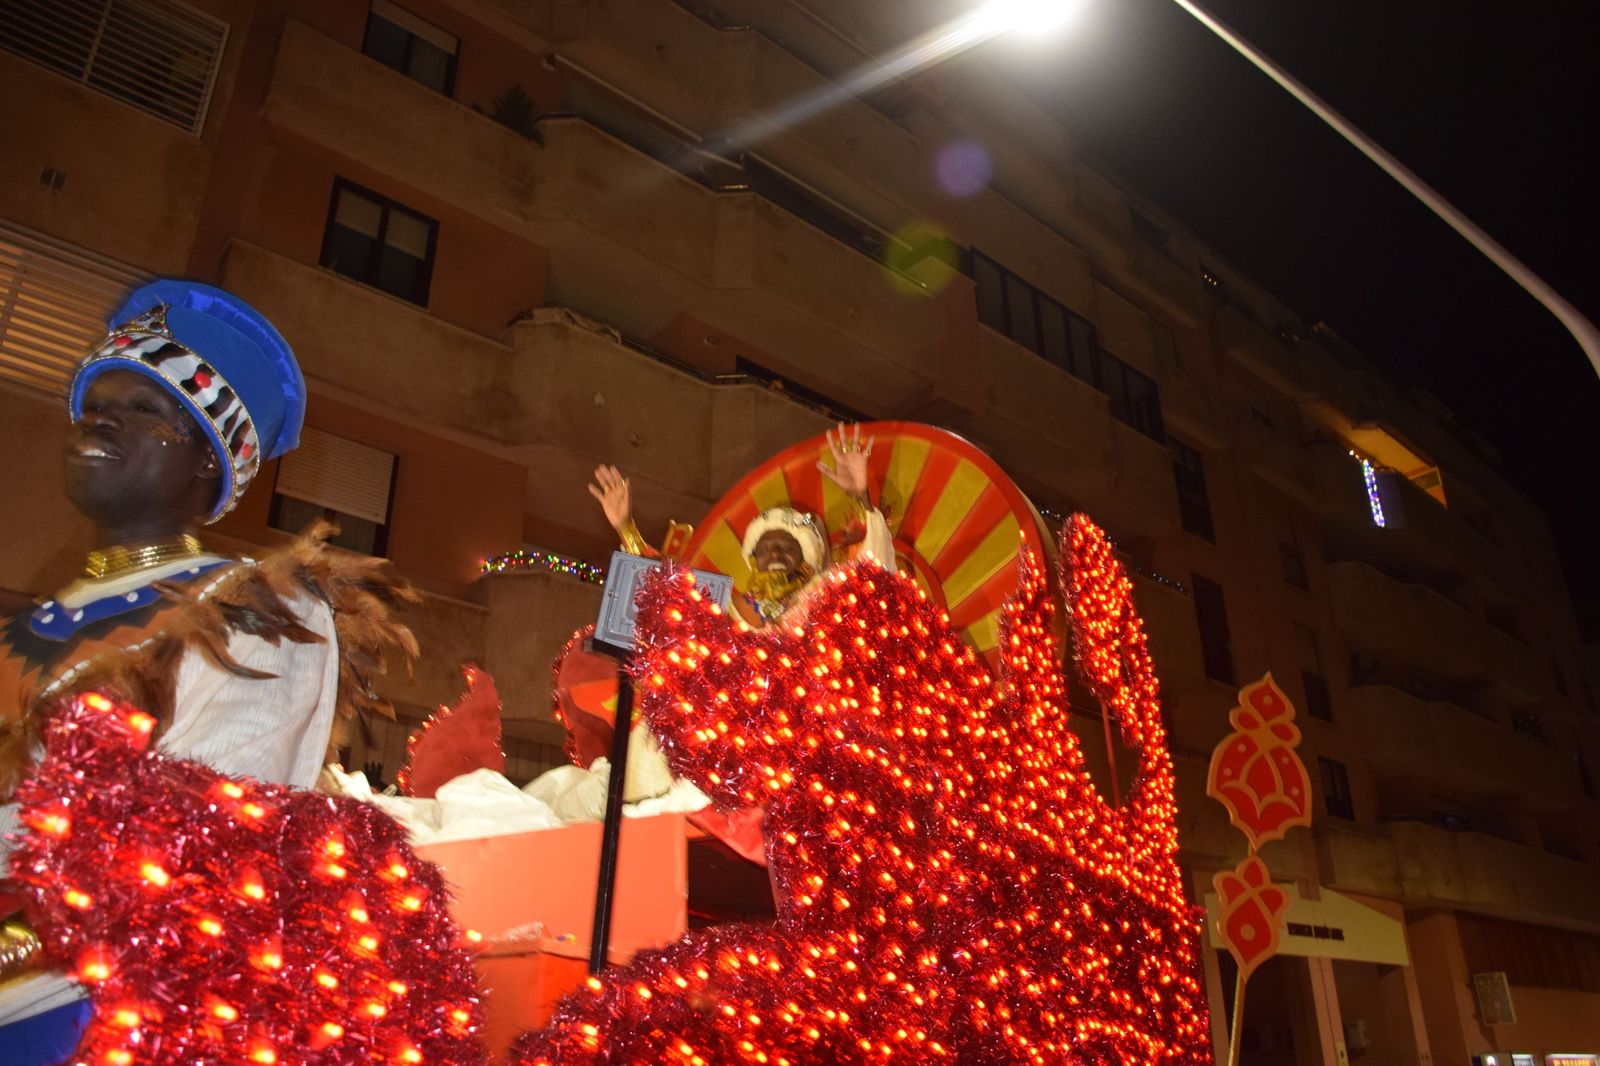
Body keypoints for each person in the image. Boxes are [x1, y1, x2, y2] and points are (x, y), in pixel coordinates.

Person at [0, 280, 416, 1059]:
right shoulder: (25, 625)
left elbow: (194, 846)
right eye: (96, 399)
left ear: (207, 461)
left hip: (86, 1015)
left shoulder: (259, 609)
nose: (98, 418)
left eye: (143, 410)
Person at [589, 423, 895, 625]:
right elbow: (664, 588)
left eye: (787, 548)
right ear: (753, 560)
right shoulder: (726, 609)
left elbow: (875, 573)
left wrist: (861, 497)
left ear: (807, 562)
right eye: (766, 548)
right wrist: (626, 527)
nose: (775, 554)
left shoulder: (827, 600)